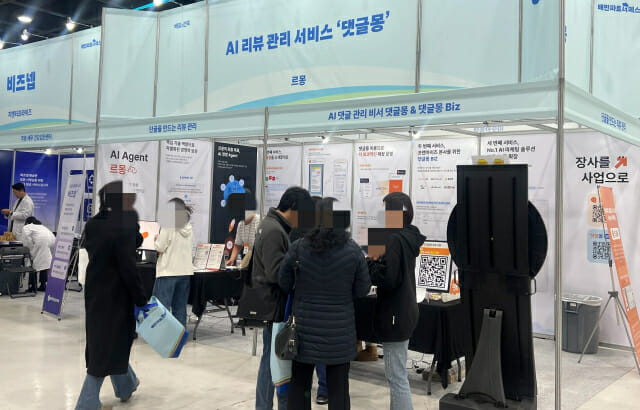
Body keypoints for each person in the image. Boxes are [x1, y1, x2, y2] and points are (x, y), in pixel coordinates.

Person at [280, 198, 371, 410]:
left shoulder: (299, 247)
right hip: (340, 334)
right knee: (339, 390)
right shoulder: (353, 250)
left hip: (304, 332)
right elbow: (363, 289)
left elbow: (283, 282)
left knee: (300, 385)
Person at [75, 181, 148, 410]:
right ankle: (87, 403)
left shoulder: (93, 225)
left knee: (105, 342)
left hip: (95, 292)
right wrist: (141, 299)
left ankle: (126, 386)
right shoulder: (123, 226)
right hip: (117, 296)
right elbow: (129, 267)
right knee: (108, 346)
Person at [252, 186, 312, 410]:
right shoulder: (274, 230)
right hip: (274, 306)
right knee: (273, 364)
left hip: (272, 304)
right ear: (293, 207)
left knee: (271, 361)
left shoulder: (271, 225)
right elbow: (276, 273)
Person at [366, 192, 426, 410]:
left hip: (394, 314)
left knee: (397, 377)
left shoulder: (392, 240)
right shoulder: (408, 237)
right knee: (397, 375)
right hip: (405, 310)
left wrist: (370, 263)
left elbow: (387, 278)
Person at [289, 196, 329, 405]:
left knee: (304, 347)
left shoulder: (297, 234)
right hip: (322, 300)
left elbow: (287, 271)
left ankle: (306, 389)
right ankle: (323, 389)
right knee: (320, 345)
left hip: (304, 299)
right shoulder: (330, 236)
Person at [153, 198, 194, 327]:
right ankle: (179, 336)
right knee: (180, 308)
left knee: (162, 308)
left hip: (168, 272)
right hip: (185, 272)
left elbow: (160, 247)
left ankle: (162, 336)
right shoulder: (189, 227)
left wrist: (156, 239)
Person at [226, 190, 260, 267]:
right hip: (248, 261)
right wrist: (232, 259)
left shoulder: (259, 222)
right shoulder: (240, 224)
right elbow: (238, 244)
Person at [21, 216, 55, 292]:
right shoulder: (41, 226)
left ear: (27, 222)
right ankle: (43, 285)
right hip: (48, 243)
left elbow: (26, 239)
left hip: (39, 243)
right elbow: (52, 237)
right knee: (44, 264)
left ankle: (32, 286)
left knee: (32, 264)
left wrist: (29, 248)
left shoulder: (27, 226)